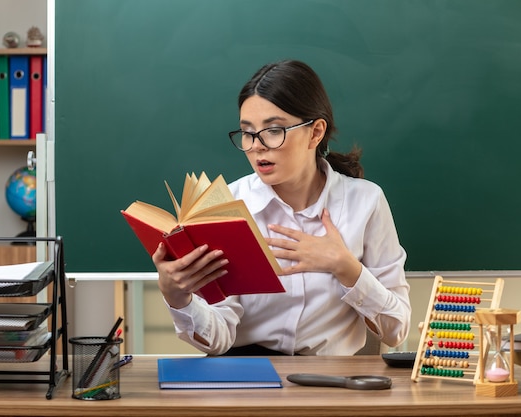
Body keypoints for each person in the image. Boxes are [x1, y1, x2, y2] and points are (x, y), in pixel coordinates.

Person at [152, 60, 411, 356]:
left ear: (315, 133)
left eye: (273, 131)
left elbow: (396, 329)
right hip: (250, 379)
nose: (257, 146)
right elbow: (219, 337)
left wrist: (347, 268)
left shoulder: (365, 202)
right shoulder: (226, 207)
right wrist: (177, 297)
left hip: (331, 382)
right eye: (247, 132)